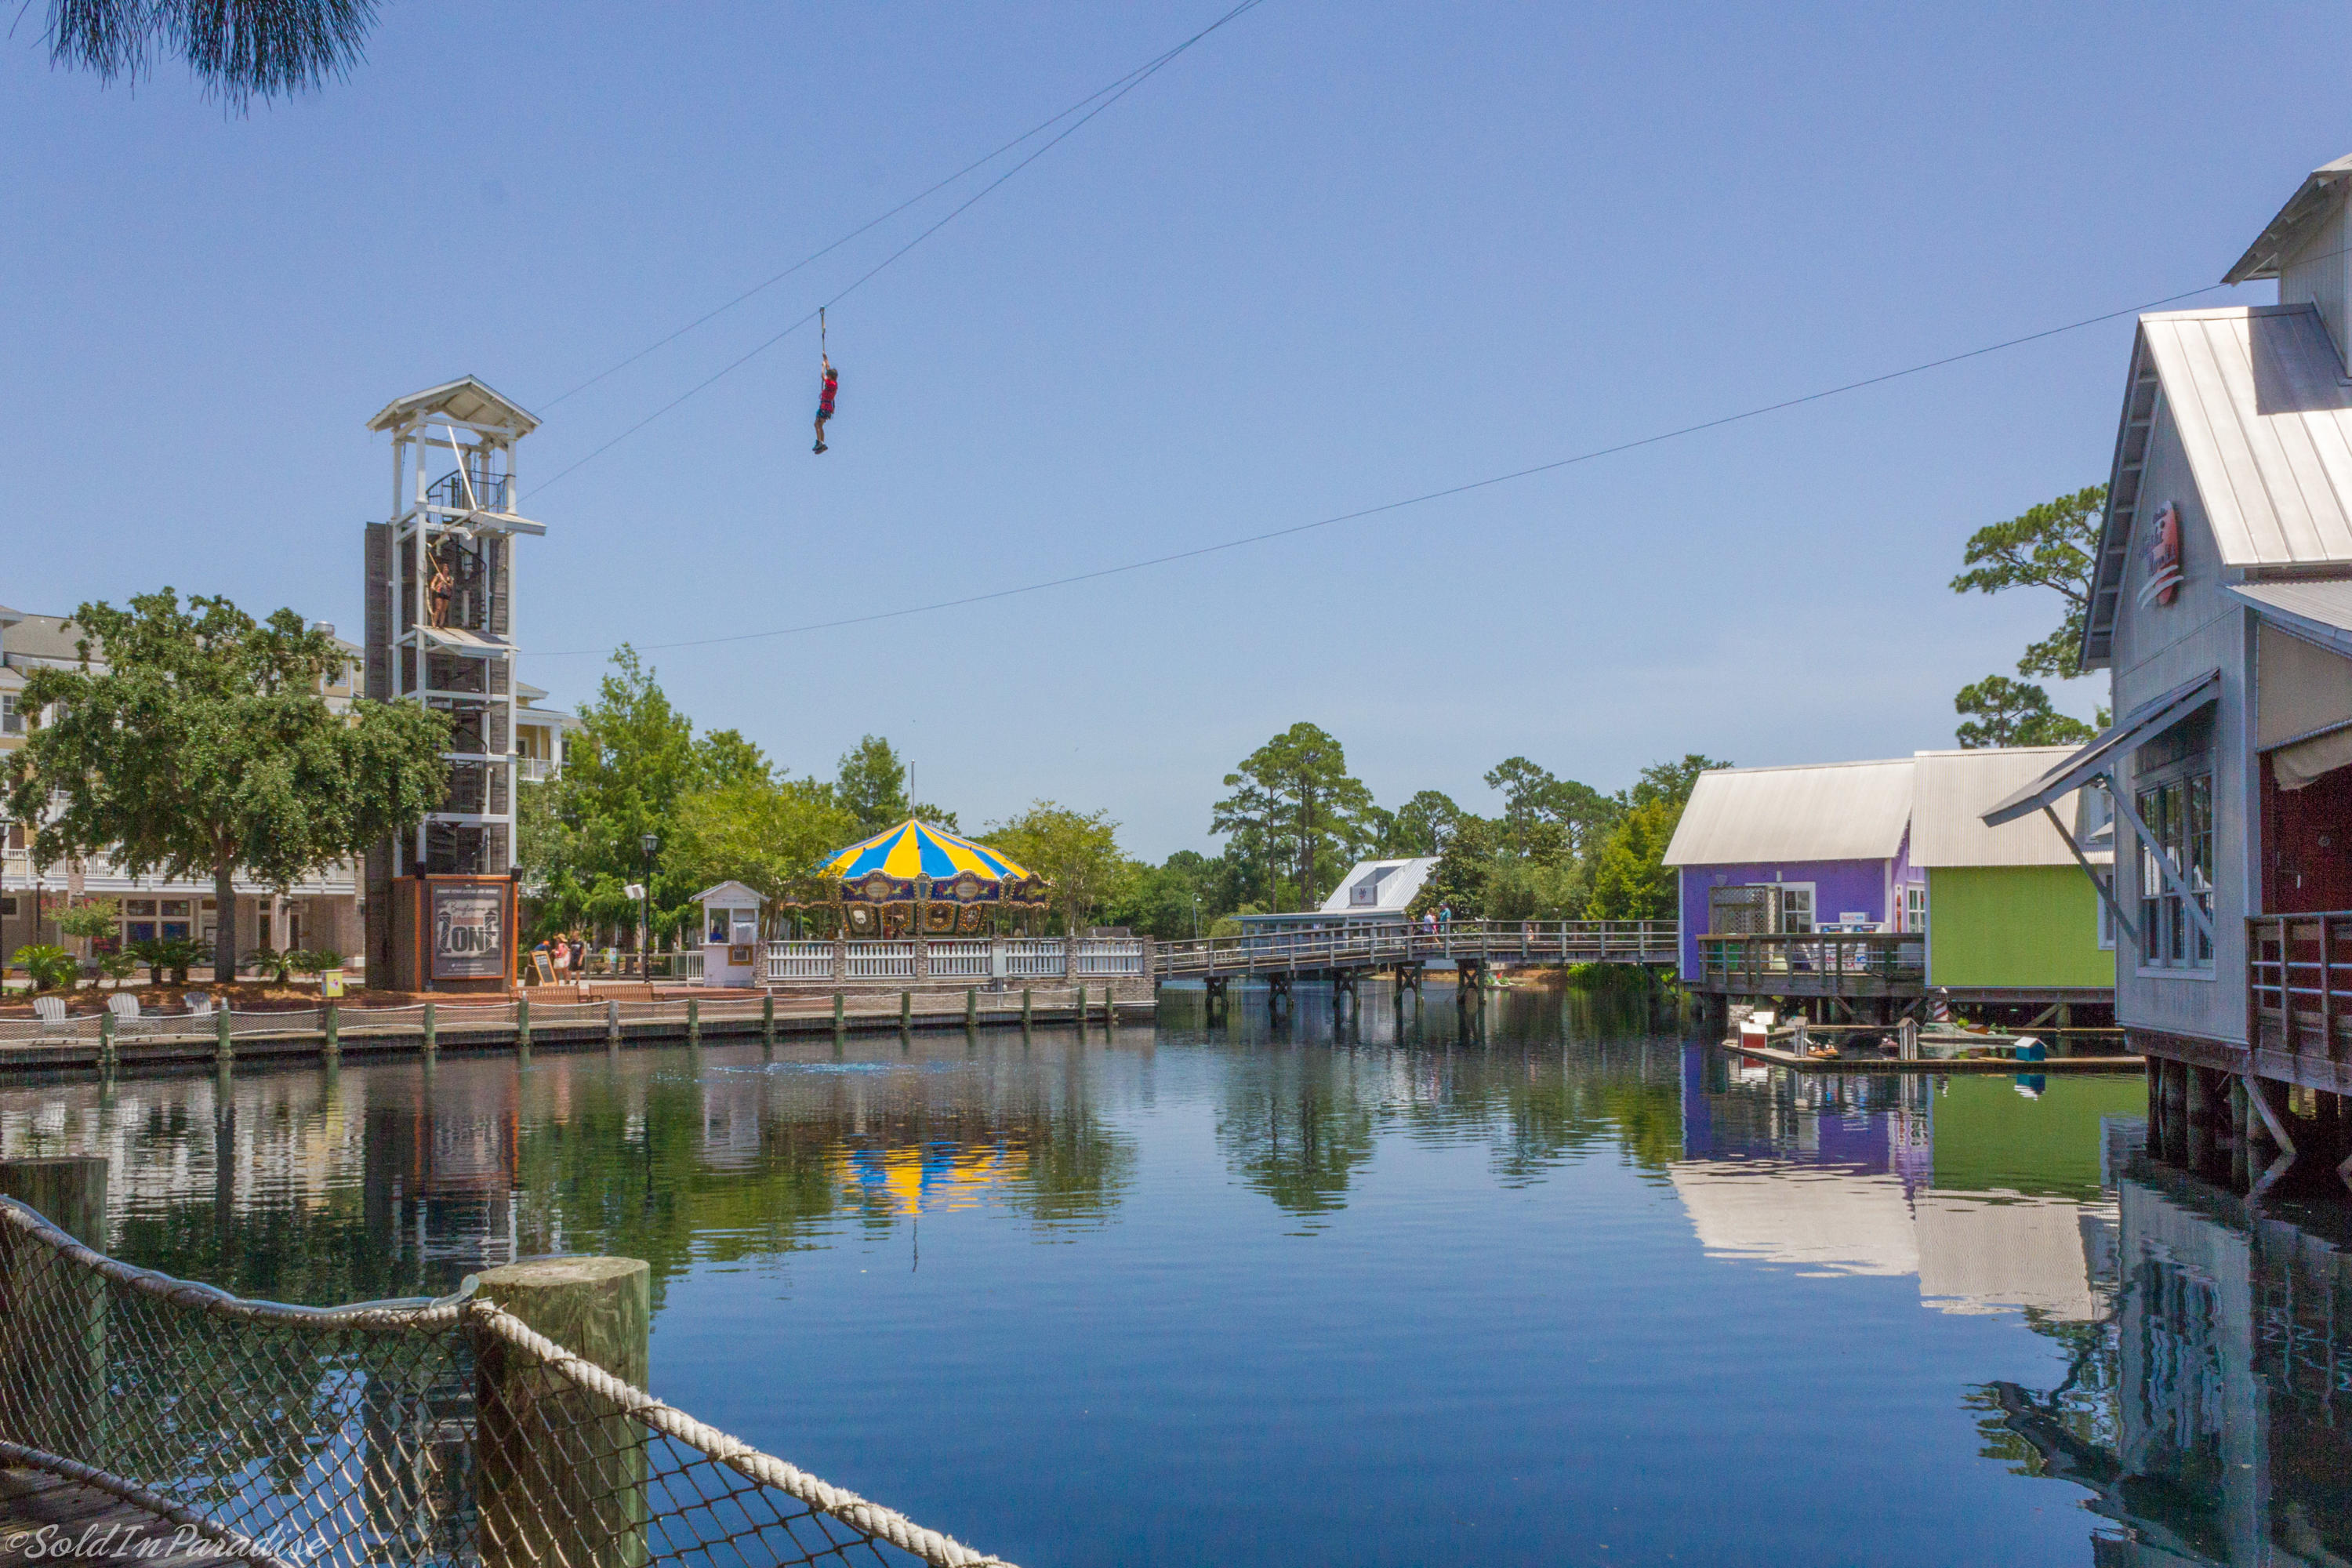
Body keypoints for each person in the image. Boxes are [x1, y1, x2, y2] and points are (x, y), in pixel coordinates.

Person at [812, 354, 839, 453]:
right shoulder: (834, 383)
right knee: (817, 424)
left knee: (818, 424)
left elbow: (823, 376)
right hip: (826, 407)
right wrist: (826, 359)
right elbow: (829, 371)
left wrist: (823, 366)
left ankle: (821, 442)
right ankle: (820, 442)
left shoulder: (831, 383)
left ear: (831, 377)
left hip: (825, 407)